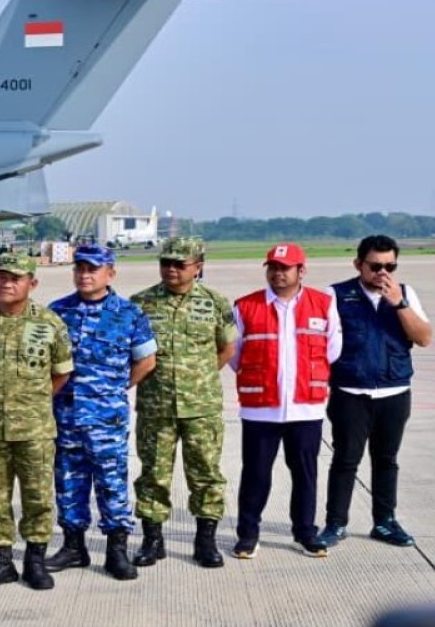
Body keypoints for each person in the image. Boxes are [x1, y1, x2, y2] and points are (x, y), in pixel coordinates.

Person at [0, 253, 73, 591]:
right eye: (1, 276)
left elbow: (61, 374)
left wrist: (30, 403)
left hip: (35, 429)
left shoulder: (50, 323)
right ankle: (1, 563)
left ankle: (35, 561)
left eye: (15, 278)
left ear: (31, 284)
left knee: (37, 497)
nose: (6, 283)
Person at [45, 244, 156, 581]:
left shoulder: (128, 313)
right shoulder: (57, 311)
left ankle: (116, 550)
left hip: (107, 418)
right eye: (80, 268)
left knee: (111, 483)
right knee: (68, 482)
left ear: (110, 273)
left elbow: (146, 360)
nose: (85, 275)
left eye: (93, 269)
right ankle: (74, 546)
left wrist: (116, 389)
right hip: (65, 416)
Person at [320, 235, 433, 548]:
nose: (382, 272)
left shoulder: (405, 294)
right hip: (350, 392)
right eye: (375, 266)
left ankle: (384, 522)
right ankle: (335, 523)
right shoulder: (335, 295)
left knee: (386, 459)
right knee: (345, 459)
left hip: (394, 392)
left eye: (390, 266)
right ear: (359, 264)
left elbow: (424, 338)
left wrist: (399, 304)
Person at [229, 244, 341, 559]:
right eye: (273, 267)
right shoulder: (245, 306)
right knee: (255, 473)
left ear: (300, 271)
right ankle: (248, 534)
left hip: (306, 406)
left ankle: (305, 532)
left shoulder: (324, 304)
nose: (278, 273)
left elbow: (333, 349)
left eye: (285, 268)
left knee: (305, 473)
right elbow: (235, 355)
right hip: (260, 408)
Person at [130, 237, 235, 569]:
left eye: (180, 264)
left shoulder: (216, 303)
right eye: (166, 263)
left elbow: (226, 349)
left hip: (201, 406)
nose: (171, 269)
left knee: (205, 474)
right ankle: (152, 539)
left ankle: (205, 540)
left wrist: (196, 378)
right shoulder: (141, 303)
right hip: (156, 406)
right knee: (153, 475)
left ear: (198, 266)